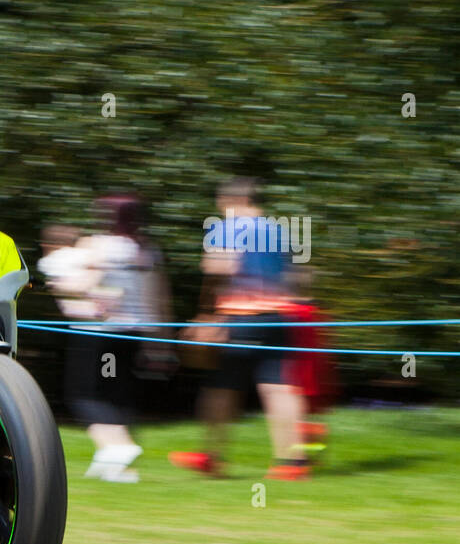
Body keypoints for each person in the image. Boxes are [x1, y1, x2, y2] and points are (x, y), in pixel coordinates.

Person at [170, 177, 309, 479]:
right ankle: (292, 461)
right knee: (279, 388)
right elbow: (296, 278)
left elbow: (219, 269)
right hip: (278, 316)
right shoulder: (280, 230)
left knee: (221, 386)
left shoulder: (228, 227)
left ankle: (212, 455)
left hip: (239, 316)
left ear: (229, 200)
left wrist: (206, 314)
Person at [37, 196, 170, 482]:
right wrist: (161, 341)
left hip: (98, 334)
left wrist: (63, 287)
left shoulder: (97, 245)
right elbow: (157, 297)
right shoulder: (146, 249)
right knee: (115, 393)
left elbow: (89, 284)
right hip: (133, 334)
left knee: (84, 395)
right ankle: (117, 468)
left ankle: (117, 447)